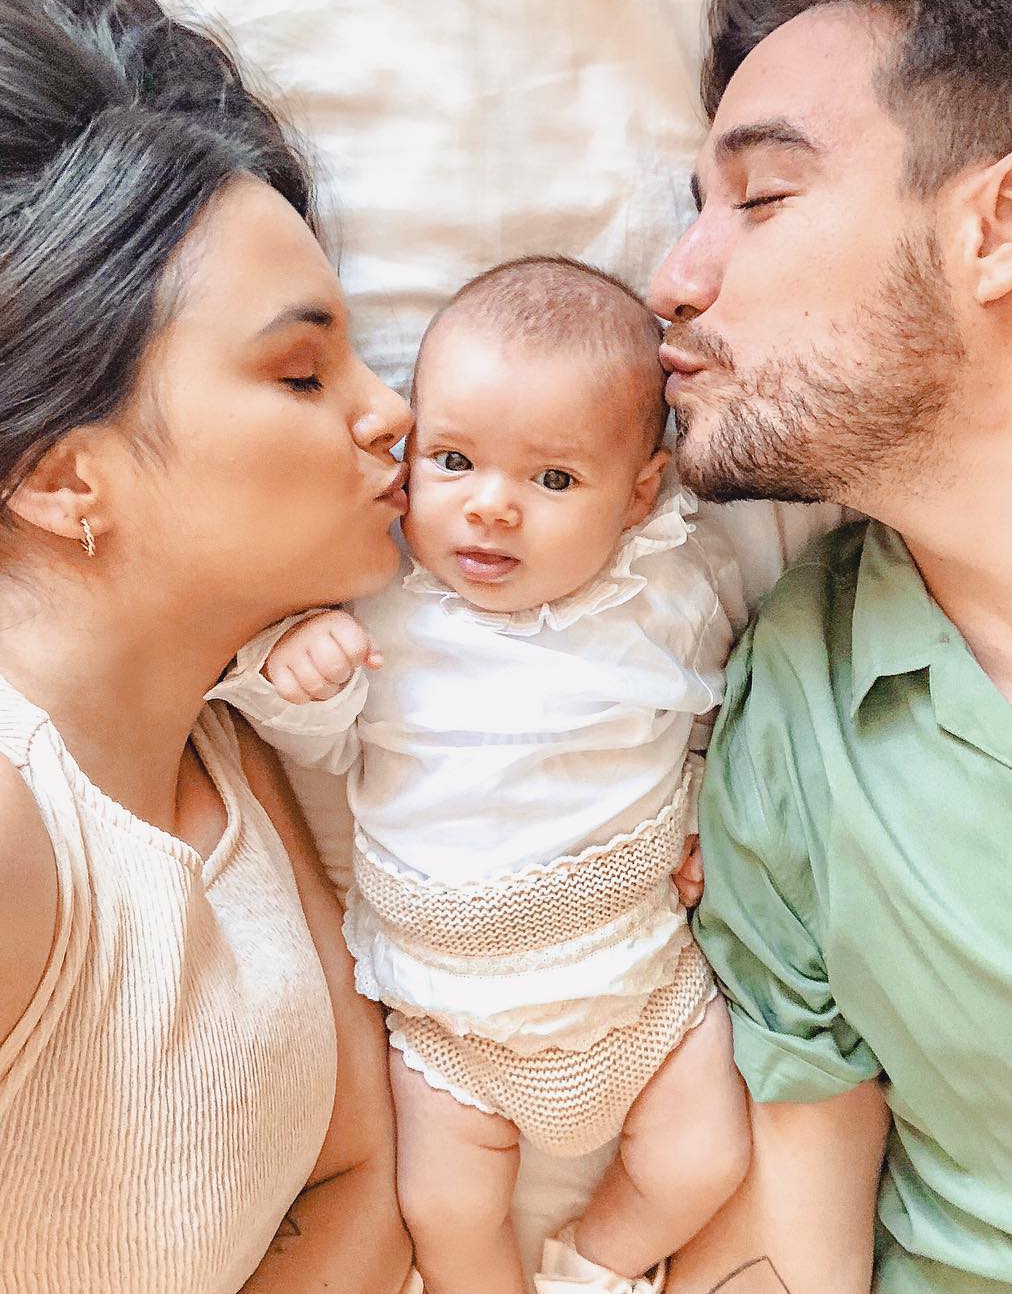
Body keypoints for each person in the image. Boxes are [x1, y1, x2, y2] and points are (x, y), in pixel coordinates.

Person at [646, 0, 1012, 1291]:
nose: (672, 277)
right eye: (691, 208)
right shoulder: (791, 708)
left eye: (762, 197)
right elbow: (802, 1187)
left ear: (1001, 222)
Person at [211, 256, 751, 1294]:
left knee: (705, 1160)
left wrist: (699, 829)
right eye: (453, 460)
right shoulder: (382, 612)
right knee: (446, 1213)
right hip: (451, 1024)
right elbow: (322, 754)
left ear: (640, 496)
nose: (490, 509)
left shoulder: (669, 596)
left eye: (552, 480)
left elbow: (721, 714)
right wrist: (305, 680)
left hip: (637, 985)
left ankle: (595, 1265)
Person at [0, 0, 419, 1293]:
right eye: (303, 370)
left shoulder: (231, 767)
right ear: (65, 477)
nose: (392, 410)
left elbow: (365, 1183)